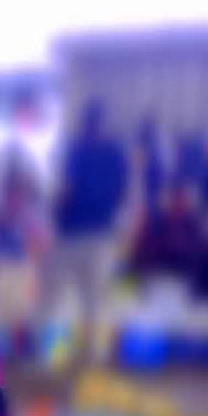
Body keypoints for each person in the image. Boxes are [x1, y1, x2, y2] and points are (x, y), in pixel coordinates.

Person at [42, 101, 127, 362]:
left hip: (83, 232)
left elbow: (63, 191)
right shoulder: (105, 153)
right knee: (86, 298)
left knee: (71, 297)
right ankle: (73, 354)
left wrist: (61, 208)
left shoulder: (84, 152)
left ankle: (62, 354)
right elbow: (121, 192)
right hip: (88, 232)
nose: (92, 127)